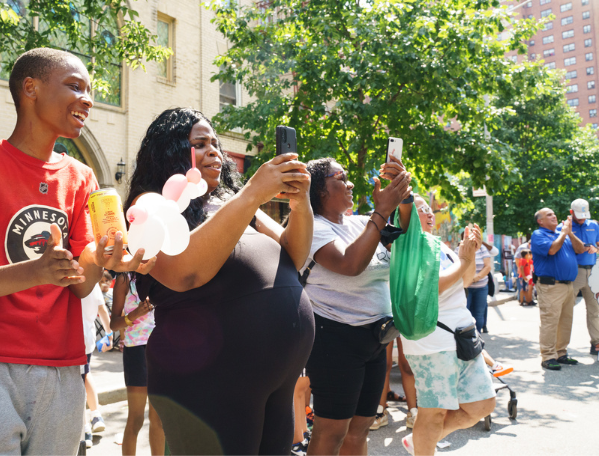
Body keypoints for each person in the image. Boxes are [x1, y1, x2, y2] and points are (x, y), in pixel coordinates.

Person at [0, 48, 152, 455]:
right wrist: (36, 271)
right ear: (30, 89)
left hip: (63, 366)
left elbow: (79, 286)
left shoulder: (81, 177)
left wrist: (102, 259)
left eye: (90, 90)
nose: (87, 99)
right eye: (75, 86)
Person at [128, 108, 315, 455]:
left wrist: (300, 202)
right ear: (169, 152)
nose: (214, 150)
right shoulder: (150, 205)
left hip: (274, 377)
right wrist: (251, 195)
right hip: (209, 379)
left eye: (215, 143)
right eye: (200, 144)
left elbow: (293, 254)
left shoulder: (231, 202)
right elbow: (184, 272)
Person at [301, 156, 412, 456]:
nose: (350, 183)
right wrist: (381, 211)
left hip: (375, 340)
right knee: (332, 430)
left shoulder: (363, 223)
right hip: (335, 339)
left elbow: (408, 232)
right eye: (340, 177)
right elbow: (350, 264)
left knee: (361, 427)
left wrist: (403, 195)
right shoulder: (313, 228)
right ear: (320, 190)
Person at [400, 196, 496, 456]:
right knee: (433, 413)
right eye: (421, 210)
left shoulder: (438, 244)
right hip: (432, 341)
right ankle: (424, 447)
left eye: (429, 209)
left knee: (483, 405)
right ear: (404, 214)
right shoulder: (407, 245)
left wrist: (470, 255)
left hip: (462, 336)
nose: (429, 214)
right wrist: (464, 262)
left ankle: (421, 443)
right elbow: (432, 287)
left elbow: (463, 282)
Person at [110, 273, 164, 455]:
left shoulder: (163, 274)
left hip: (161, 349)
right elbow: (113, 324)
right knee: (136, 418)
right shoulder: (124, 279)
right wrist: (134, 314)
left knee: (158, 420)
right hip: (136, 351)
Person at [531, 208, 586, 371]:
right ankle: (548, 356)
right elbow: (552, 250)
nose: (554, 215)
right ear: (540, 221)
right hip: (550, 285)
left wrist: (569, 233)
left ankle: (561, 353)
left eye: (554, 213)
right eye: (549, 215)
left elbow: (581, 248)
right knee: (550, 321)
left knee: (565, 321)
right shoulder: (538, 235)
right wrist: (563, 233)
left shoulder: (563, 235)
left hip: (568, 285)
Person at [559, 199, 599, 355]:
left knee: (595, 309)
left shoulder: (594, 225)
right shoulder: (564, 228)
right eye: (579, 216)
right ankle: (561, 347)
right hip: (574, 271)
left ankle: (596, 342)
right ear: (571, 212)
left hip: (593, 271)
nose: (582, 219)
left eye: (584, 216)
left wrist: (596, 247)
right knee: (566, 310)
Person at [81, 277, 109, 448]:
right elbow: (102, 309)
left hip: (71, 335)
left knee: (78, 380)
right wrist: (109, 333)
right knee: (86, 373)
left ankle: (86, 430)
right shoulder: (92, 285)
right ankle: (96, 414)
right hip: (88, 337)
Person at [370, 338, 417, 431]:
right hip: (384, 323)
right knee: (384, 364)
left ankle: (413, 412)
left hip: (406, 323)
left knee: (407, 365)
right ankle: (380, 412)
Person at [459, 233, 491, 334]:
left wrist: (476, 278)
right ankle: (467, 339)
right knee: (465, 313)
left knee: (479, 314)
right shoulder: (458, 250)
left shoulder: (482, 249)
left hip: (481, 286)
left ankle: (477, 339)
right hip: (465, 288)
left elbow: (488, 266)